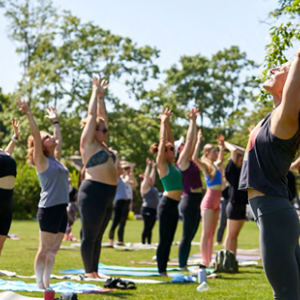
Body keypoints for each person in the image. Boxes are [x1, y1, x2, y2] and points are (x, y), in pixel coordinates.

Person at [239, 54, 300, 299]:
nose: (274, 67)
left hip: (274, 213)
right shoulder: (271, 117)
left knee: (286, 295)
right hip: (273, 213)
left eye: (283, 67)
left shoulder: (286, 118)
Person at [18, 100, 68, 289]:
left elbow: (59, 139)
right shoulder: (42, 160)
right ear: (42, 144)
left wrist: (55, 121)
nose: (52, 139)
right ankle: (39, 283)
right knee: (45, 248)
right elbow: (35, 136)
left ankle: (47, 283)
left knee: (54, 250)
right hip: (48, 209)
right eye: (48, 138)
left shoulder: (56, 160)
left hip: (62, 208)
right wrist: (29, 114)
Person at [78, 77, 118, 279]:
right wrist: (95, 91)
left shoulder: (103, 146)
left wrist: (102, 97)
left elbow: (102, 116)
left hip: (108, 194)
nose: (103, 131)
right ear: (90, 129)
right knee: (90, 235)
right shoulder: (88, 143)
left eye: (105, 130)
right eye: (99, 128)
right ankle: (88, 272)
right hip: (93, 192)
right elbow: (93, 115)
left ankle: (94, 271)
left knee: (99, 236)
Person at [150, 108, 183, 276]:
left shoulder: (172, 165)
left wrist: (168, 122)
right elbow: (164, 141)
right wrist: (162, 122)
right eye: (171, 149)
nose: (174, 150)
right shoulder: (162, 165)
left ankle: (164, 269)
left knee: (170, 239)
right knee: (164, 239)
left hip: (174, 205)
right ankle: (161, 270)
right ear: (164, 152)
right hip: (166, 204)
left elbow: (168, 140)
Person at [192, 131, 225, 267]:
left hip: (217, 200)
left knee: (212, 233)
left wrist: (222, 146)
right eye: (213, 151)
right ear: (206, 153)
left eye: (216, 152)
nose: (216, 154)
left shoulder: (216, 165)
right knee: (206, 233)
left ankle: (209, 260)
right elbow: (194, 158)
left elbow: (221, 160)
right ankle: (205, 261)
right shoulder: (205, 166)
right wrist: (198, 141)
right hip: (209, 200)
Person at [177, 108, 203, 270]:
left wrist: (198, 139)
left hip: (196, 200)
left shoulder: (191, 162)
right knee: (187, 235)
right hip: (188, 200)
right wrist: (192, 121)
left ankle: (184, 262)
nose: (186, 146)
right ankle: (181, 264)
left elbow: (193, 144)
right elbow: (189, 141)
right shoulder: (182, 162)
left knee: (192, 234)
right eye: (183, 146)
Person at [0, 118, 20, 256]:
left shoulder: (3, 152)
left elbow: (7, 155)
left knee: (0, 242)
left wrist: (15, 136)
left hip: (7, 202)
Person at [223, 141, 247, 255]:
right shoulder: (231, 170)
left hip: (242, 205)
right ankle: (227, 258)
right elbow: (233, 151)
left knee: (235, 235)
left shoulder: (243, 172)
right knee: (230, 235)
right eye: (240, 159)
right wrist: (225, 143)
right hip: (234, 204)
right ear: (236, 160)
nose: (242, 161)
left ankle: (232, 258)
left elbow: (245, 152)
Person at [108, 164, 131, 246]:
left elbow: (127, 180)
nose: (122, 169)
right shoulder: (116, 178)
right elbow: (115, 164)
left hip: (125, 202)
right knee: (115, 222)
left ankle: (120, 240)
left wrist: (125, 172)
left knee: (122, 222)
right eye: (120, 168)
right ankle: (110, 241)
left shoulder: (121, 179)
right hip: (118, 202)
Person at [140, 158, 159, 245]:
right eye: (149, 179)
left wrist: (153, 167)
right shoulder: (145, 187)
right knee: (147, 226)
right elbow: (147, 177)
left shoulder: (152, 187)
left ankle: (149, 242)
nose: (151, 179)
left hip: (154, 209)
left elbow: (152, 176)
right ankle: (144, 242)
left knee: (151, 227)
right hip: (146, 209)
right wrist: (148, 166)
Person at [64, 177, 78, 241]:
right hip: (71, 208)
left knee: (66, 222)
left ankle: (66, 235)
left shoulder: (64, 190)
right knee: (70, 223)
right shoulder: (73, 190)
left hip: (67, 207)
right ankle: (66, 235)